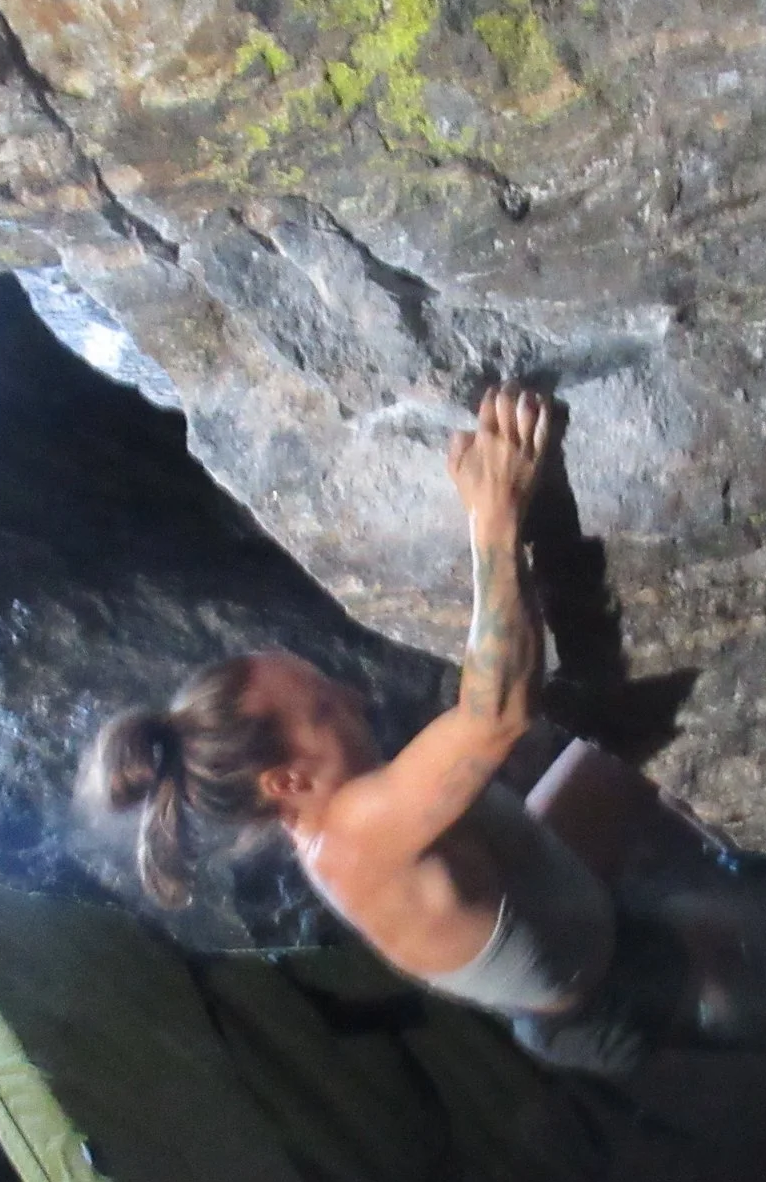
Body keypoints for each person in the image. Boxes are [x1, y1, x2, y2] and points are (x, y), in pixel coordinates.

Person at [76, 383, 663, 1074]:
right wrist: (495, 514)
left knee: (630, 741)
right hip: (605, 1001)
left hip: (555, 897)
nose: (355, 694)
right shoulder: (354, 839)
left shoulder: (339, 815)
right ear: (287, 780)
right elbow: (497, 714)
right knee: (758, 940)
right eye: (325, 706)